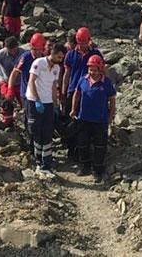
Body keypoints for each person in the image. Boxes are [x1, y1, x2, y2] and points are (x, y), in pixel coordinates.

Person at [70, 55, 116, 183]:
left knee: (99, 146)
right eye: (90, 69)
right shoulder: (83, 80)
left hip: (100, 120)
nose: (92, 72)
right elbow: (77, 94)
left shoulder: (106, 82)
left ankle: (97, 170)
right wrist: (74, 109)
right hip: (84, 118)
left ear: (100, 69)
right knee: (82, 143)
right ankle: (85, 166)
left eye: (95, 70)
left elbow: (112, 100)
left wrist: (111, 115)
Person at [62, 27, 103, 162]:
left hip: (89, 92)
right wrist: (63, 90)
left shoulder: (95, 54)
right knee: (72, 121)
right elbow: (67, 73)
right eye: (80, 42)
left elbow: (102, 72)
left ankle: (86, 150)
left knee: (86, 122)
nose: (83, 45)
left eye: (85, 42)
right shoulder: (70, 55)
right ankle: (71, 148)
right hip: (73, 90)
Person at [26, 43, 66, 176]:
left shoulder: (56, 68)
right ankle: (38, 161)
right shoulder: (39, 63)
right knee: (37, 131)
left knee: (48, 132)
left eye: (62, 58)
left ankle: (47, 162)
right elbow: (32, 81)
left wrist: (56, 105)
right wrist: (37, 100)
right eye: (59, 57)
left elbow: (54, 86)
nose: (60, 60)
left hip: (48, 103)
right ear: (53, 53)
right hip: (35, 101)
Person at [9, 33, 47, 132]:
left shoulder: (45, 59)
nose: (37, 52)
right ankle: (29, 137)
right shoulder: (25, 57)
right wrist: (10, 89)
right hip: (26, 94)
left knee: (41, 118)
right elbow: (14, 72)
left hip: (42, 94)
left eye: (39, 49)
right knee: (29, 117)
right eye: (34, 49)